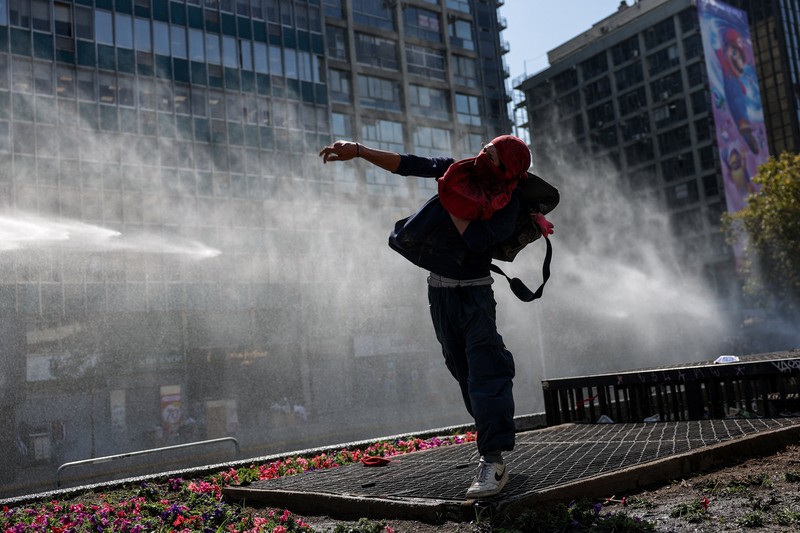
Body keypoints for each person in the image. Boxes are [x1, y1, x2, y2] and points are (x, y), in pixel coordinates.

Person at [319, 135, 552, 499]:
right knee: (461, 370)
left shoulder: (507, 202)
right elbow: (410, 164)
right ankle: (490, 442)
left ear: (506, 171)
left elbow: (481, 240)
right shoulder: (458, 173)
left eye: (491, 156)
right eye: (484, 149)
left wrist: (456, 204)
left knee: (486, 369)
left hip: (474, 293)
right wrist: (360, 151)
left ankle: (493, 460)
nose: (481, 156)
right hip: (439, 293)